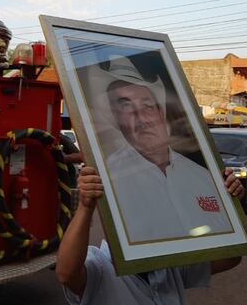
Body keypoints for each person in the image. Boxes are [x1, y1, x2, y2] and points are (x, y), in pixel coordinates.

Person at [56, 166, 244, 305]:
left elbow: (231, 256)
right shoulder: (100, 267)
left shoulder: (169, 264)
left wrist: (224, 200)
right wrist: (85, 206)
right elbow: (67, 273)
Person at [94, 56, 233, 242]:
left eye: (147, 106)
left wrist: (232, 198)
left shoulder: (204, 176)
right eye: (126, 107)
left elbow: (228, 245)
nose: (141, 117)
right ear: (116, 119)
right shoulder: (106, 178)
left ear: (161, 113)